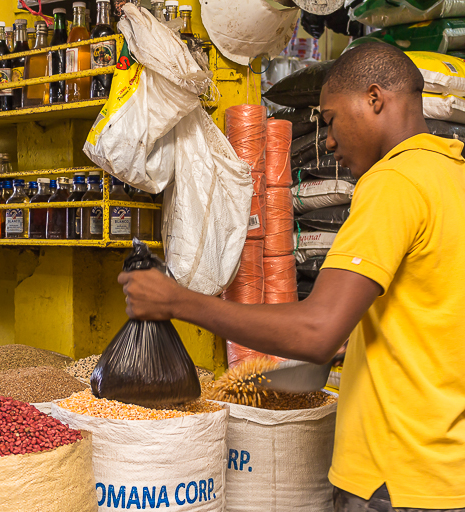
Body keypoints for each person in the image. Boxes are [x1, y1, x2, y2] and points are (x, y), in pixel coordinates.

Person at [119, 42, 465, 511]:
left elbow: (317, 331)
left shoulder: (392, 183)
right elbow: (432, 312)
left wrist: (177, 302)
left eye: (330, 118)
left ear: (375, 99)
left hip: (397, 477)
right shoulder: (451, 173)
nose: (326, 140)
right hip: (448, 472)